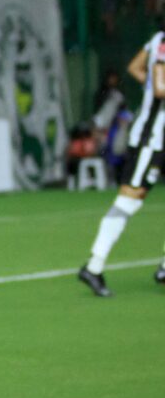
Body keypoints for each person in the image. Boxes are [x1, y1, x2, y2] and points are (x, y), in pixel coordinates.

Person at [79, 28, 165, 296]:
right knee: (129, 198)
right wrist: (153, 89)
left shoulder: (156, 39)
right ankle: (93, 267)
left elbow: (136, 68)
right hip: (151, 138)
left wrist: (149, 86)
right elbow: (161, 87)